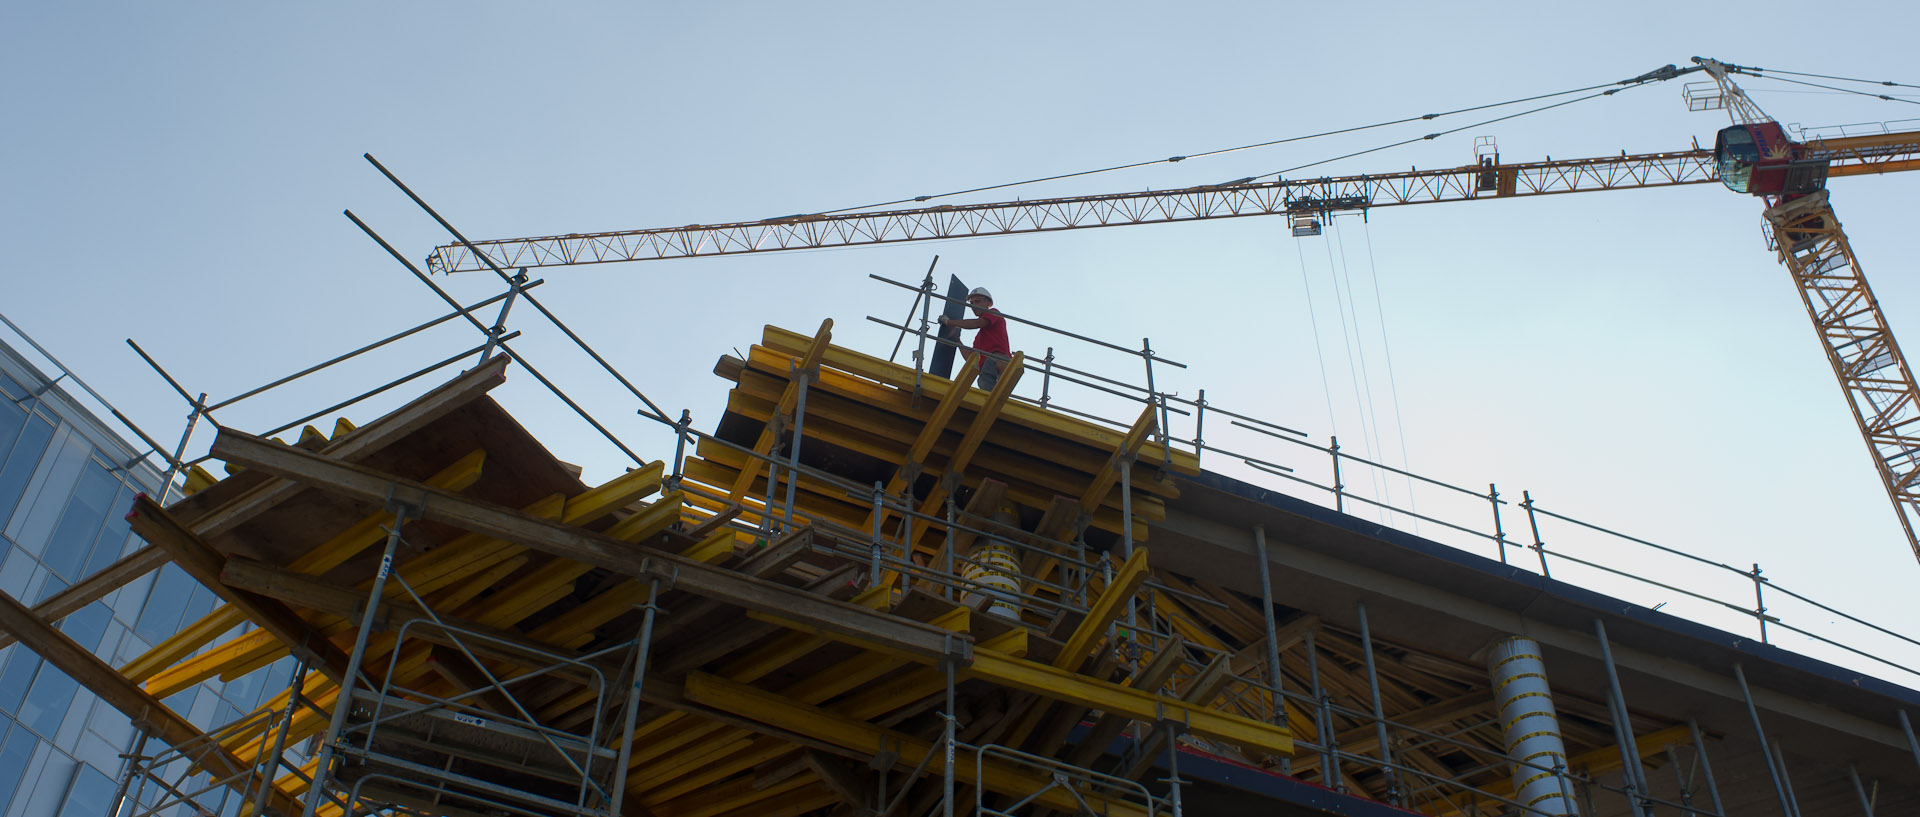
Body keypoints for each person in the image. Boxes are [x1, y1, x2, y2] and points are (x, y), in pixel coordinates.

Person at [939, 286, 1011, 390]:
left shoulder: (994, 313)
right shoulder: (979, 339)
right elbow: (970, 359)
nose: (973, 306)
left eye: (977, 301)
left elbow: (977, 323)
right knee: (985, 385)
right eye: (971, 303)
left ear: (988, 303)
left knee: (987, 384)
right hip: (987, 367)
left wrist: (949, 322)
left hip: (997, 360)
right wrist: (958, 341)